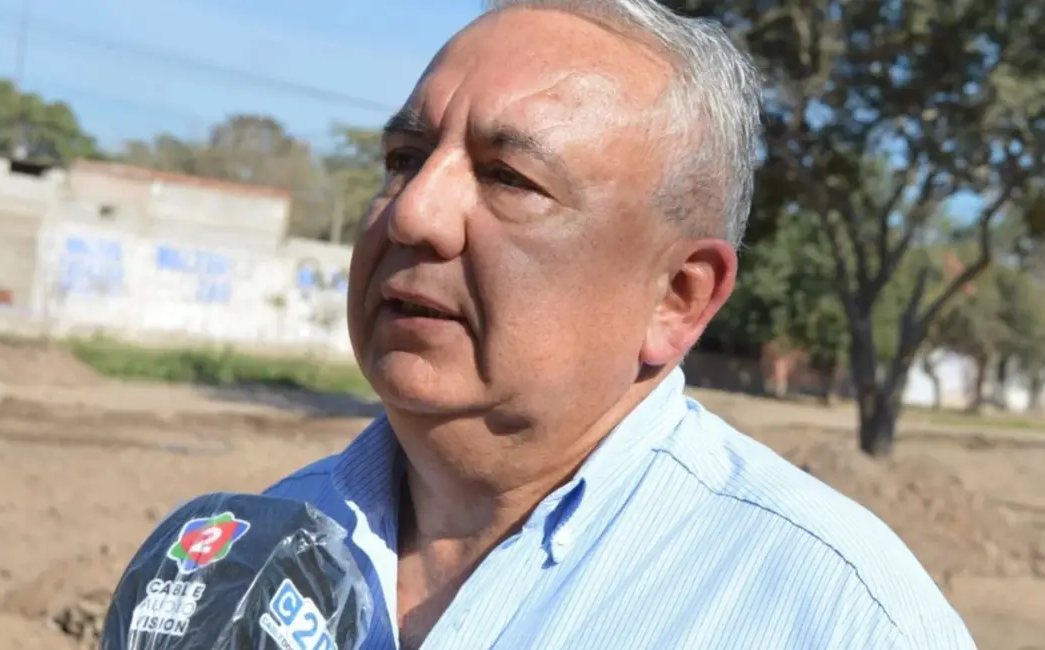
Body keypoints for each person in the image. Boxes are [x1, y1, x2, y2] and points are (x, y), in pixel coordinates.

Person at [264, 1, 976, 648]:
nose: (413, 213)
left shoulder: (834, 616)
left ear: (676, 298)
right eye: (404, 159)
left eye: (508, 177)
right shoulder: (251, 549)